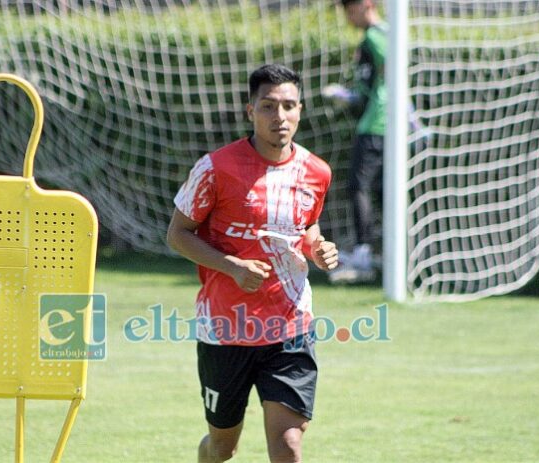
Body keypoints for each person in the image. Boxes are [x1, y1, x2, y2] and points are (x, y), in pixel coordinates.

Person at [166, 64, 338, 463]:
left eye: (289, 106)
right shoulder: (215, 168)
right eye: (268, 106)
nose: (279, 117)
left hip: (290, 326)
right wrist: (232, 267)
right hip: (224, 329)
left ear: (301, 110)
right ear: (251, 111)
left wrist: (319, 248)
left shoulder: (317, 172)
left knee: (289, 444)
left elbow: (306, 228)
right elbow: (177, 234)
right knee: (222, 447)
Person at [324, 0, 387, 283]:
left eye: (350, 10)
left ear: (367, 5)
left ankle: (363, 253)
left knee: (357, 186)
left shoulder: (377, 37)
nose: (348, 17)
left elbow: (388, 78)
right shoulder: (372, 39)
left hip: (377, 125)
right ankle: (379, 253)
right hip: (379, 123)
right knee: (379, 191)